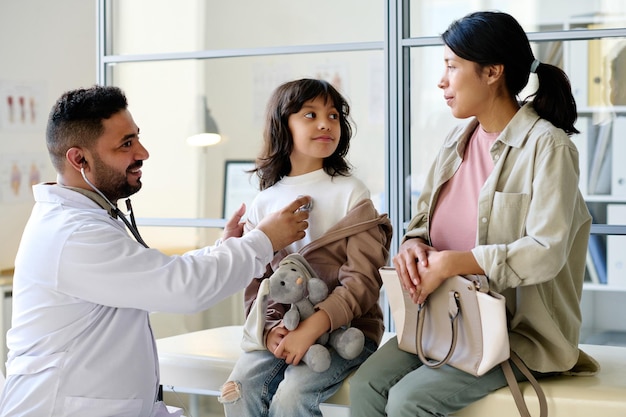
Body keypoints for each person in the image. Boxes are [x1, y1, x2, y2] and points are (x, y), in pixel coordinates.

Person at [0, 85, 311, 417]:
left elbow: (153, 276)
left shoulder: (86, 220)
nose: (143, 152)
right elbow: (182, 288)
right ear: (79, 159)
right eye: (126, 144)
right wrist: (263, 240)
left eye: (136, 137)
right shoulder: (73, 235)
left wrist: (225, 248)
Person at [350, 11, 597, 417]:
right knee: (366, 385)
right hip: (443, 322)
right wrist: (413, 244)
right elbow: (421, 222)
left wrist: (454, 263)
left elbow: (546, 251)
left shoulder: (548, 148)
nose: (441, 80)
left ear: (492, 72)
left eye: (451, 66)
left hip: (515, 336)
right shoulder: (455, 141)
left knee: (409, 400)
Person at [219, 78, 393, 417]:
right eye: (310, 115)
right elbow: (258, 285)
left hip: (347, 332)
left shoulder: (352, 193)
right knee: (237, 391)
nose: (326, 123)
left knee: (292, 397)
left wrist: (314, 327)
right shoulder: (263, 202)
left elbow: (364, 281)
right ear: (282, 125)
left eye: (333, 115)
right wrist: (269, 332)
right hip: (284, 329)